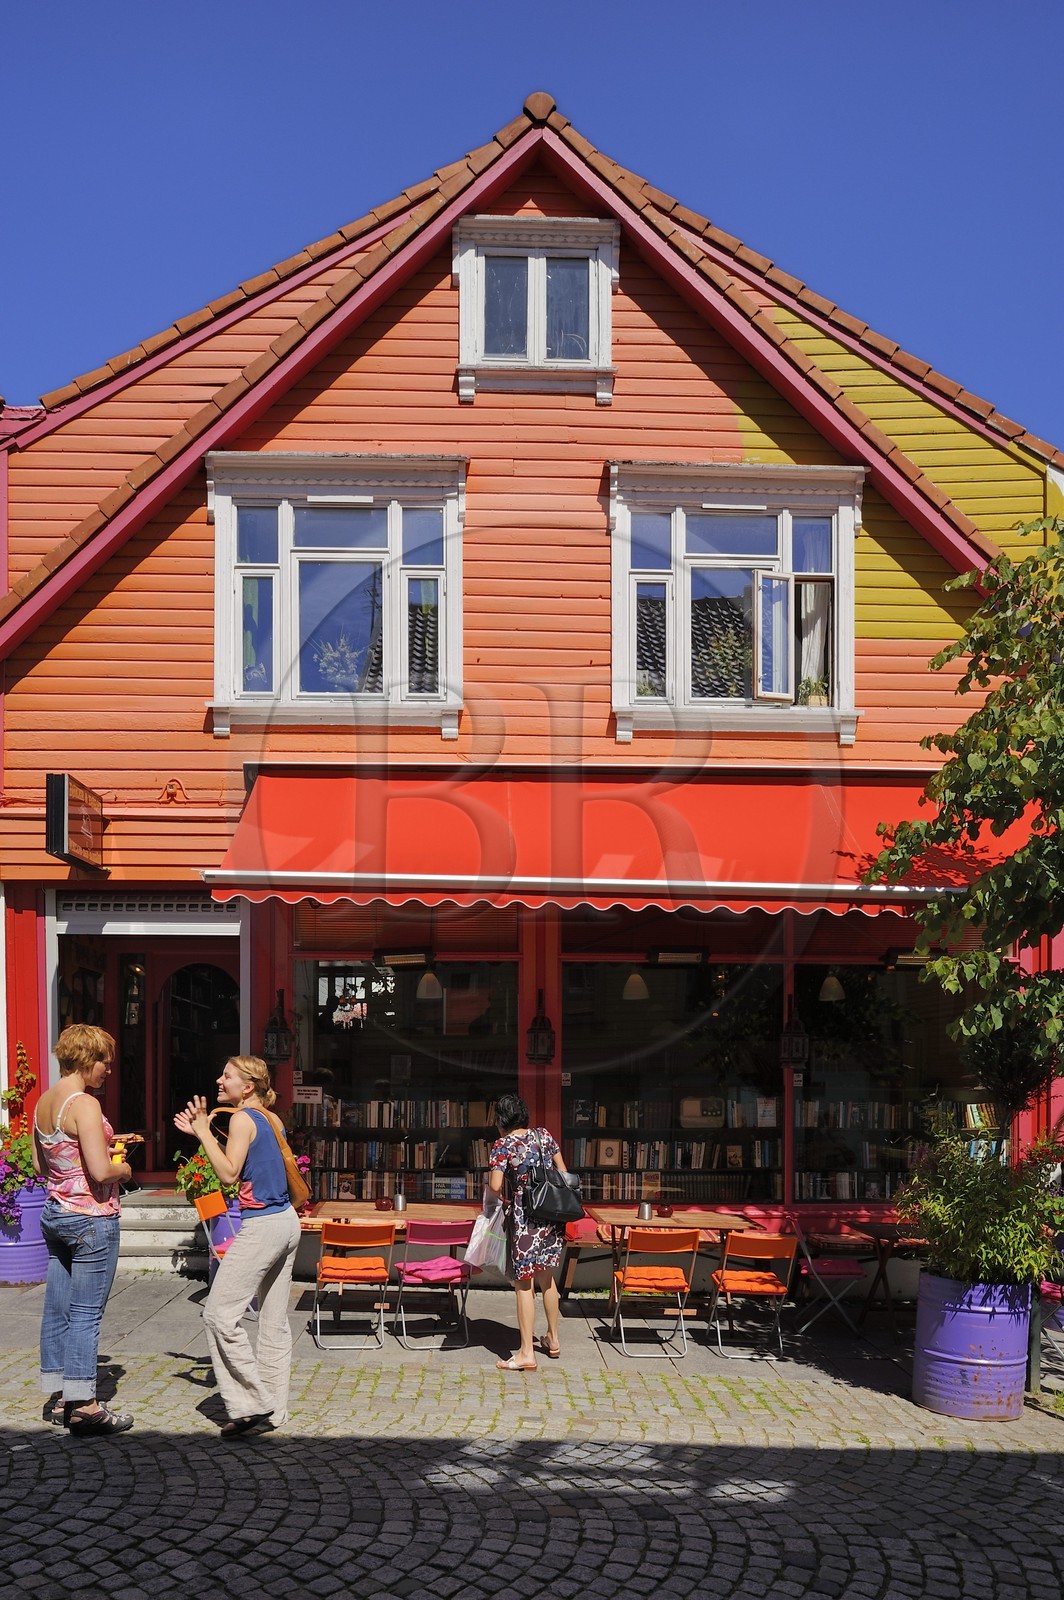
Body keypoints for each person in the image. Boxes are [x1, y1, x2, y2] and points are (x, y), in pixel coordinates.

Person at [174, 1055, 300, 1437]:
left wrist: (204, 1133)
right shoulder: (270, 1118)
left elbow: (229, 1174)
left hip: (262, 1227)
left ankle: (251, 1403)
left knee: (217, 1314)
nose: (219, 1079)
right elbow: (248, 1159)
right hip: (287, 1222)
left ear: (246, 1087)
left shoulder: (242, 1118)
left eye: (226, 1075)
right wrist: (204, 1134)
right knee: (273, 1323)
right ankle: (274, 1411)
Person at [31, 1023, 135, 1434]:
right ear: (86, 1059)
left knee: (57, 1308)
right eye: (104, 1061)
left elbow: (40, 1165)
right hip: (91, 1217)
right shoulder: (85, 1104)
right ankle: (86, 1406)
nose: (108, 1069)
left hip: (55, 1212)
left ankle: (60, 1397)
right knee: (86, 1313)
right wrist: (124, 1169)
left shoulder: (45, 1101)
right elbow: (100, 1171)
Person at [487, 1091, 571, 1372]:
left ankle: (526, 1353)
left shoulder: (503, 1145)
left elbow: (495, 1186)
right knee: (547, 1278)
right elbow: (563, 1172)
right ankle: (553, 1340)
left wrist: (505, 1196)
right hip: (551, 1217)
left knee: (524, 1284)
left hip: (525, 1221)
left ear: (502, 1120)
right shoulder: (544, 1136)